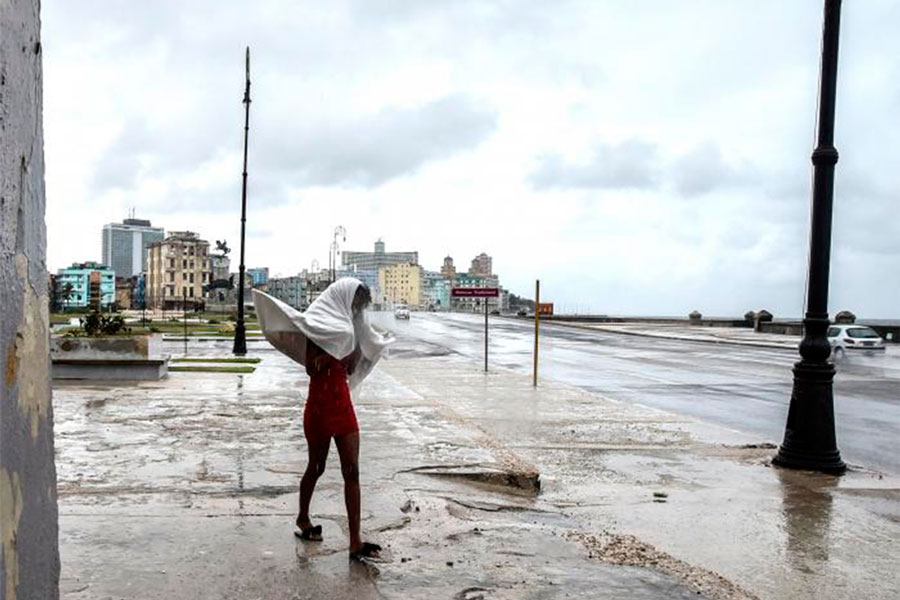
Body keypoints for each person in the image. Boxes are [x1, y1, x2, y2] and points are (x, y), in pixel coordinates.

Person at [252, 279, 390, 561]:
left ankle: (355, 541)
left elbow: (350, 368)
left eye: (359, 305)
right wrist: (334, 350)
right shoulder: (318, 324)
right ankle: (303, 518)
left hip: (342, 405)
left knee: (352, 471)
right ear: (344, 295)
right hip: (319, 406)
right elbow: (311, 368)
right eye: (355, 302)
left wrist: (362, 347)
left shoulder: (349, 329)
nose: (356, 308)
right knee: (316, 466)